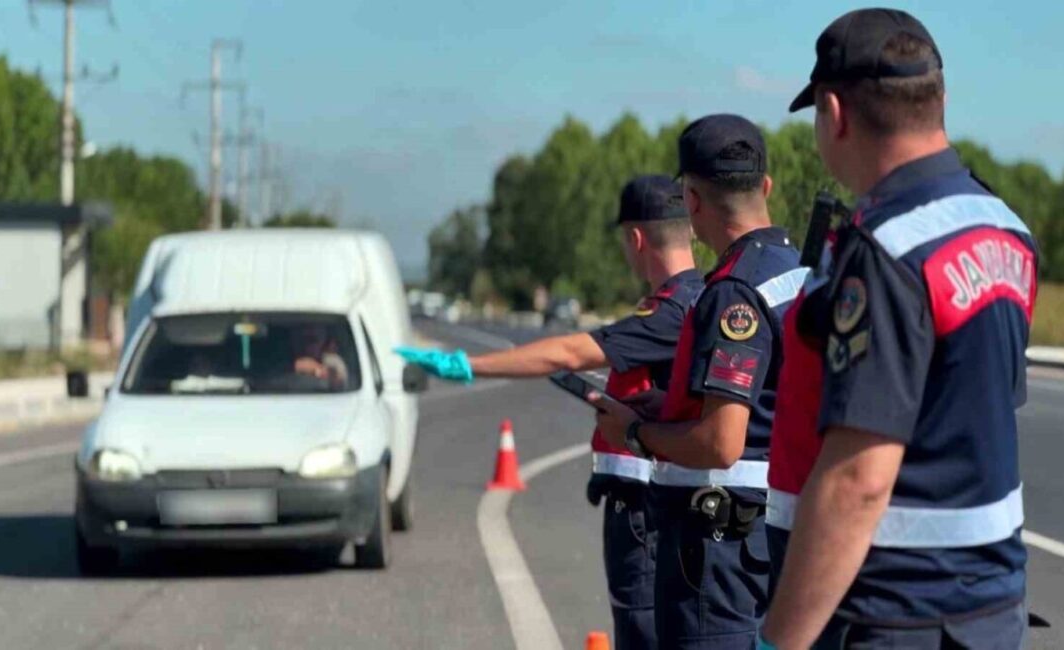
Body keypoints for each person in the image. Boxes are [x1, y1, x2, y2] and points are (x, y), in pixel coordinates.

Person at [759, 9, 1037, 650]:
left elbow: (859, 480)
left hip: (894, 614)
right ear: (938, 99)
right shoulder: (1007, 229)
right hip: (991, 609)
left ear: (834, 112)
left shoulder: (886, 247)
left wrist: (779, 641)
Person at [399, 175, 703, 649]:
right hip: (664, 506)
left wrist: (468, 365)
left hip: (648, 509)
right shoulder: (704, 299)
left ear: (636, 238)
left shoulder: (670, 311)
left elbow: (565, 353)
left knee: (643, 632)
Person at [594, 115, 805, 649]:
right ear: (766, 187)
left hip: (717, 557)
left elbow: (722, 441)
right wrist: (669, 405)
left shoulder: (733, 293)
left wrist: (637, 435)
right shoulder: (804, 270)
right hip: (774, 533)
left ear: (690, 201)